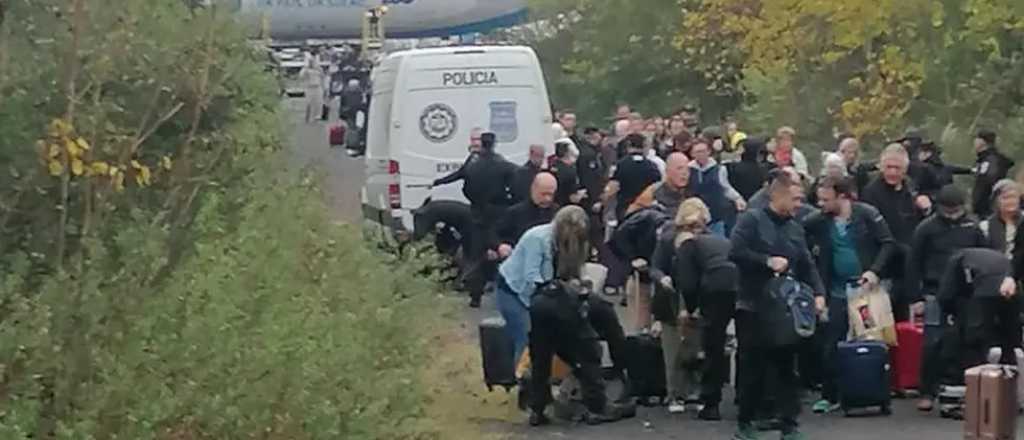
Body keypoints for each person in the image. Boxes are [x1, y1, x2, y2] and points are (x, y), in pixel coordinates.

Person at [730, 174, 826, 440]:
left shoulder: (795, 226)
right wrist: (766, 261)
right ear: (778, 196)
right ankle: (746, 423)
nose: (799, 204)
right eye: (795, 199)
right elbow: (735, 251)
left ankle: (789, 424)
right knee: (753, 367)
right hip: (752, 304)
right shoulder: (751, 220)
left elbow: (807, 263)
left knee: (787, 367)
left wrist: (818, 293)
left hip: (784, 307)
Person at [524, 206, 636, 426]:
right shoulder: (547, 241)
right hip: (557, 300)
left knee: (541, 357)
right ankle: (598, 405)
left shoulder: (555, 240)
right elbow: (539, 279)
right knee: (588, 350)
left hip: (541, 302)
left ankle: (538, 408)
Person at [803, 176, 896, 414]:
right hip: (836, 290)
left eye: (826, 199)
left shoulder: (867, 214)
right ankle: (830, 394)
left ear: (843, 196)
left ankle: (875, 392)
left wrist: (875, 271)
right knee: (832, 341)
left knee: (872, 339)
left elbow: (888, 243)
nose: (821, 204)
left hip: (866, 291)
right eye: (819, 199)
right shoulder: (817, 222)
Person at [906, 185, 987, 411]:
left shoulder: (973, 227)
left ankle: (967, 389)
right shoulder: (926, 228)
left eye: (956, 209)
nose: (952, 213)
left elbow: (985, 256)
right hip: (935, 291)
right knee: (933, 342)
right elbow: (913, 263)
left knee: (969, 342)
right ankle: (927, 390)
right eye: (947, 209)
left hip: (967, 292)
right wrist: (915, 297)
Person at [667, 198, 739, 421]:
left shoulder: (686, 246)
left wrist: (691, 309)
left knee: (713, 346)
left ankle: (711, 403)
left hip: (714, 289)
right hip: (738, 284)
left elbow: (687, 284)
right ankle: (747, 397)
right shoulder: (719, 239)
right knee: (746, 343)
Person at [860, 144, 932, 321]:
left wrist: (926, 209)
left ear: (905, 169)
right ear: (881, 167)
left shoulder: (911, 187)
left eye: (897, 168)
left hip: (908, 266)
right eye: (888, 167)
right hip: (882, 264)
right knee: (881, 320)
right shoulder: (871, 191)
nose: (892, 172)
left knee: (905, 320)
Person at [938, 247, 1020, 369]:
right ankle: (1007, 372)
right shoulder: (986, 254)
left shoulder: (957, 257)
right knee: (1008, 334)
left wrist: (949, 310)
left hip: (986, 288)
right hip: (1012, 286)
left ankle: (976, 375)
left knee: (975, 337)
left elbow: (946, 291)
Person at [462, 132, 518, 308]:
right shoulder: (503, 165)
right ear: (494, 143)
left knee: (476, 254)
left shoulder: (473, 166)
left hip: (478, 213)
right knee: (504, 251)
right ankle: (505, 290)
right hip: (499, 212)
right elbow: (515, 180)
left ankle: (475, 295)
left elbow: (466, 188)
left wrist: (475, 202)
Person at [689, 140, 746, 236]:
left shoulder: (719, 169)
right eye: (698, 152)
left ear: (709, 152)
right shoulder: (689, 169)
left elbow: (726, 187)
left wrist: (737, 198)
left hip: (716, 215)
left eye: (703, 151)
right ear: (693, 154)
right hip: (695, 217)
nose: (701, 154)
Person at [606, 134, 663, 222]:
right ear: (644, 145)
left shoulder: (620, 165)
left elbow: (612, 189)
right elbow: (658, 188)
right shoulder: (652, 166)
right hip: (647, 210)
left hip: (625, 209)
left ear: (628, 145)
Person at [972, 129, 1015, 219]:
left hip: (988, 211)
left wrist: (977, 204)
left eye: (976, 139)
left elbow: (987, 183)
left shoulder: (990, 161)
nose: (974, 142)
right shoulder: (987, 159)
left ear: (982, 142)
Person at [980, 179, 1023, 256]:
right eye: (1006, 198)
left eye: (1013, 197)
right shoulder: (985, 226)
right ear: (996, 201)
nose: (1010, 201)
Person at [551, 141, 585, 207]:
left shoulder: (552, 167)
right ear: (567, 153)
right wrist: (581, 195)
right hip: (565, 207)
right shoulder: (569, 172)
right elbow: (573, 198)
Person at [299, 56, 325, 124]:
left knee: (319, 103)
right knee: (309, 103)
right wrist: (305, 68)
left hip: (318, 87)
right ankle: (308, 117)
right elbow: (301, 76)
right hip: (309, 87)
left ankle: (317, 117)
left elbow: (323, 77)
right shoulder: (306, 70)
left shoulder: (319, 69)